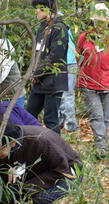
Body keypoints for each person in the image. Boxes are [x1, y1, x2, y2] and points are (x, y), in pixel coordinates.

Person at [0, 114, 82, 204]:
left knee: (42, 199)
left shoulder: (40, 140)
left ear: (11, 143)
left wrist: (27, 186)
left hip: (68, 172)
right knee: (11, 196)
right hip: (38, 171)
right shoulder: (3, 142)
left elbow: (61, 170)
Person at [76, 3, 109, 158]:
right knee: (97, 116)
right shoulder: (85, 37)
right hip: (88, 83)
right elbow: (79, 55)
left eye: (102, 20)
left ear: (108, 21)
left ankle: (101, 144)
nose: (100, 24)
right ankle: (101, 148)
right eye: (97, 20)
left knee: (105, 117)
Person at [26, 0, 68, 135]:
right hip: (39, 81)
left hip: (54, 81)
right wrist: (33, 72)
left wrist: (37, 73)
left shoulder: (59, 28)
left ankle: (56, 153)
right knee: (28, 115)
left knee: (50, 120)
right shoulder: (41, 27)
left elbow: (55, 57)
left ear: (47, 8)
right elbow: (37, 53)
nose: (36, 11)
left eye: (39, 8)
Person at [59, 25, 79, 132]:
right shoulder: (67, 28)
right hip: (70, 63)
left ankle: (69, 124)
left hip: (66, 63)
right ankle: (64, 122)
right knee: (66, 94)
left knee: (65, 94)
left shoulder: (57, 29)